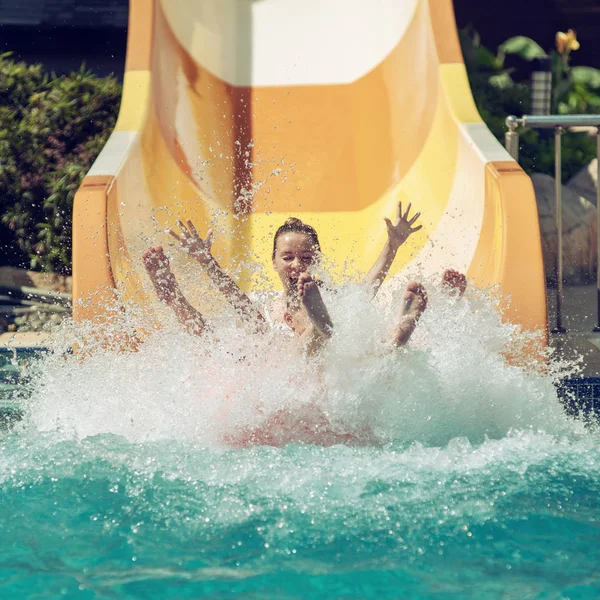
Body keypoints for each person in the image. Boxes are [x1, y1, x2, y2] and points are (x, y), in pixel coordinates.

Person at [142, 203, 450, 353]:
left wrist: (392, 245)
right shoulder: (269, 304)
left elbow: (368, 288)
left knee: (341, 331)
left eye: (306, 258)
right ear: (273, 263)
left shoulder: (331, 293)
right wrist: (206, 261)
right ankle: (173, 297)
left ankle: (397, 332)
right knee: (234, 334)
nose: (297, 265)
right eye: (287, 258)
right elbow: (239, 303)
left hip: (329, 367)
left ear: (317, 262)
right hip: (290, 374)